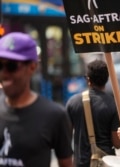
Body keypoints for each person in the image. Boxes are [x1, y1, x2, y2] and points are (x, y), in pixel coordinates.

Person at [0, 32, 73, 167]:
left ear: (32, 67)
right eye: (0, 65)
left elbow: (66, 164)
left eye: (11, 66)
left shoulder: (55, 115)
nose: (4, 73)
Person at [66, 59, 120, 167]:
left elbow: (65, 138)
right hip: (106, 162)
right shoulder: (113, 104)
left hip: (80, 163)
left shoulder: (72, 103)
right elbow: (118, 143)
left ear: (88, 79)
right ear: (107, 79)